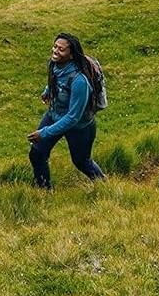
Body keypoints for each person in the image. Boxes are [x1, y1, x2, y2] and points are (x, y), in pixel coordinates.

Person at [29, 32, 106, 189]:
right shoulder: (54, 64)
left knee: (81, 162)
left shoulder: (80, 81)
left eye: (61, 49)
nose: (55, 51)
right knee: (37, 153)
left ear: (71, 55)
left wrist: (44, 133)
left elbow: (73, 117)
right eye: (55, 46)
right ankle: (44, 191)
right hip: (54, 115)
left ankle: (104, 185)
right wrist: (47, 91)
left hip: (79, 127)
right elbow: (56, 79)